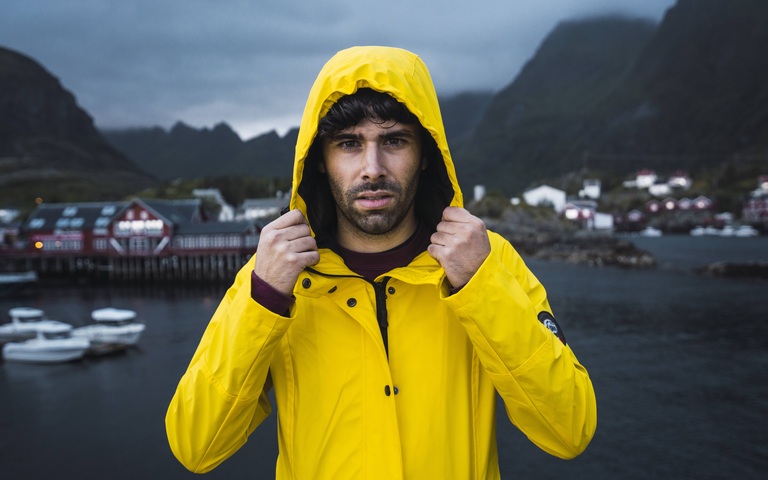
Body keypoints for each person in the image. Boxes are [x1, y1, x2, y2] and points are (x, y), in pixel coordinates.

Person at [166, 45, 597, 479]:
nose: (372, 168)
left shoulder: (488, 262)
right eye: (349, 143)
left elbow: (569, 431)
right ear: (320, 160)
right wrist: (263, 301)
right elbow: (196, 447)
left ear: (425, 154)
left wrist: (480, 289)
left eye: (394, 141)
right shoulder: (273, 277)